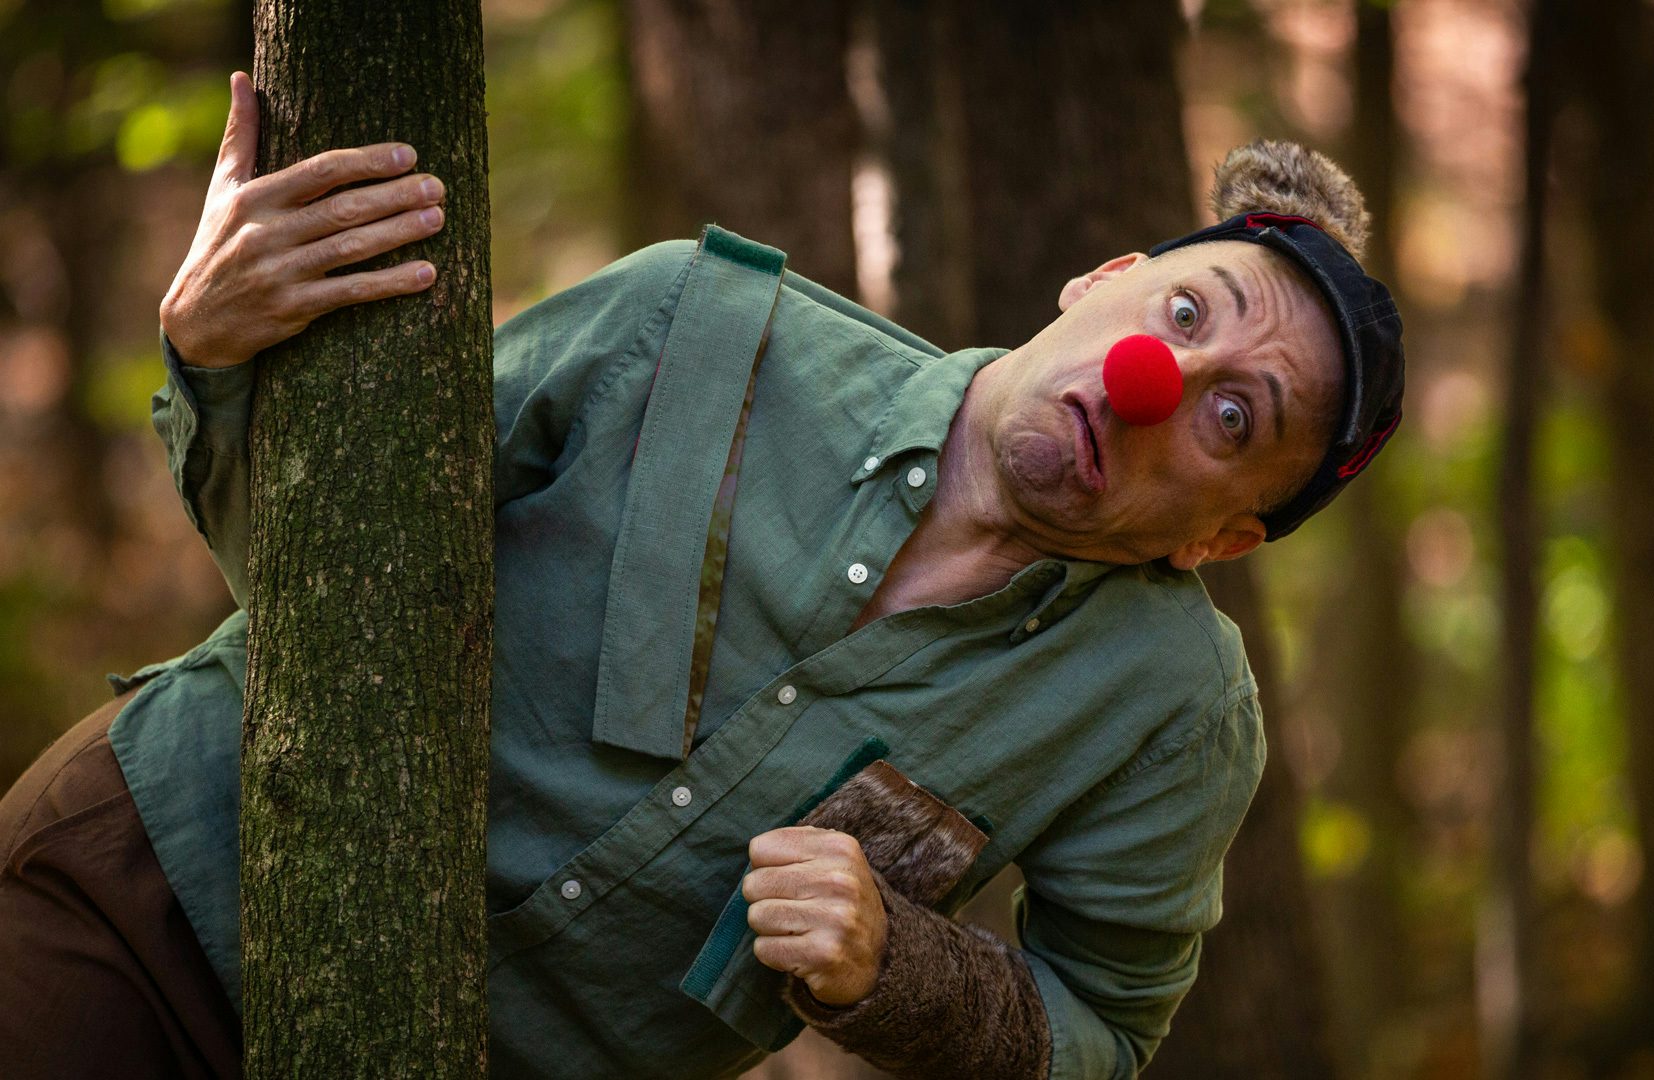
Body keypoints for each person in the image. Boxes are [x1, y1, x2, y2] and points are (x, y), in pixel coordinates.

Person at [0, 71, 1403, 1079]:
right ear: (1098, 278)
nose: (1165, 380)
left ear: (1217, 542)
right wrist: (212, 355)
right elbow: (314, 572)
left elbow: (1105, 1030)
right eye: (1182, 310)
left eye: (1235, 420)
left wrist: (902, 977)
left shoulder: (1169, 711)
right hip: (146, 897)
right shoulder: (697, 318)